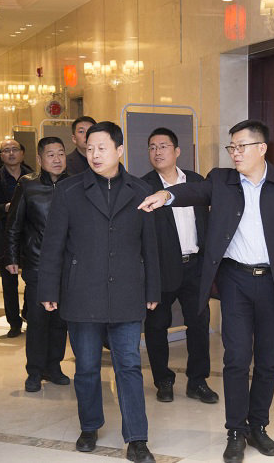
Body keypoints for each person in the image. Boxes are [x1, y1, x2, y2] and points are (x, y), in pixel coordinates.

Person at [139, 119, 274, 463]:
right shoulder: (221, 180)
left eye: (241, 147)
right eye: (231, 147)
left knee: (267, 360)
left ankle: (259, 426)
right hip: (236, 280)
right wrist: (167, 195)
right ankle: (236, 430)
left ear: (261, 148)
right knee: (236, 358)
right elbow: (195, 192)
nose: (235, 153)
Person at [38, 121, 160, 463]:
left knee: (129, 366)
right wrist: (49, 287)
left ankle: (137, 438)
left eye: (102, 148)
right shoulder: (69, 190)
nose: (94, 154)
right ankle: (90, 425)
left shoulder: (141, 190)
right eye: (89, 148)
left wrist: (152, 287)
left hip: (127, 291)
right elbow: (53, 244)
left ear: (119, 151)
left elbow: (150, 246)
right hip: (82, 291)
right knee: (88, 367)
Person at [140, 127, 216, 404]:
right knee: (156, 326)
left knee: (199, 324)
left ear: (177, 151)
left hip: (195, 265)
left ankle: (198, 381)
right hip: (161, 269)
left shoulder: (196, 182)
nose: (157, 152)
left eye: (163, 146)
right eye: (152, 147)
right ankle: (163, 380)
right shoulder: (143, 186)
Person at [5, 137, 70, 393]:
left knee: (60, 321)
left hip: (67, 264)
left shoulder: (74, 184)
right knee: (38, 320)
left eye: (61, 153)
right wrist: (11, 258)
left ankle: (54, 366)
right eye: (51, 155)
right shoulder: (28, 184)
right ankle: (34, 371)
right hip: (37, 264)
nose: (57, 159)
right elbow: (14, 224)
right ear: (40, 159)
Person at [0, 139, 33, 337]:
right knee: (9, 282)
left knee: (32, 277)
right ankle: (14, 322)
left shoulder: (32, 176)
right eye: (6, 150)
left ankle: (29, 314)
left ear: (22, 153)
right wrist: (6, 207)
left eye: (15, 149)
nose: (11, 153)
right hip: (6, 234)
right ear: (1, 155)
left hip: (29, 234)